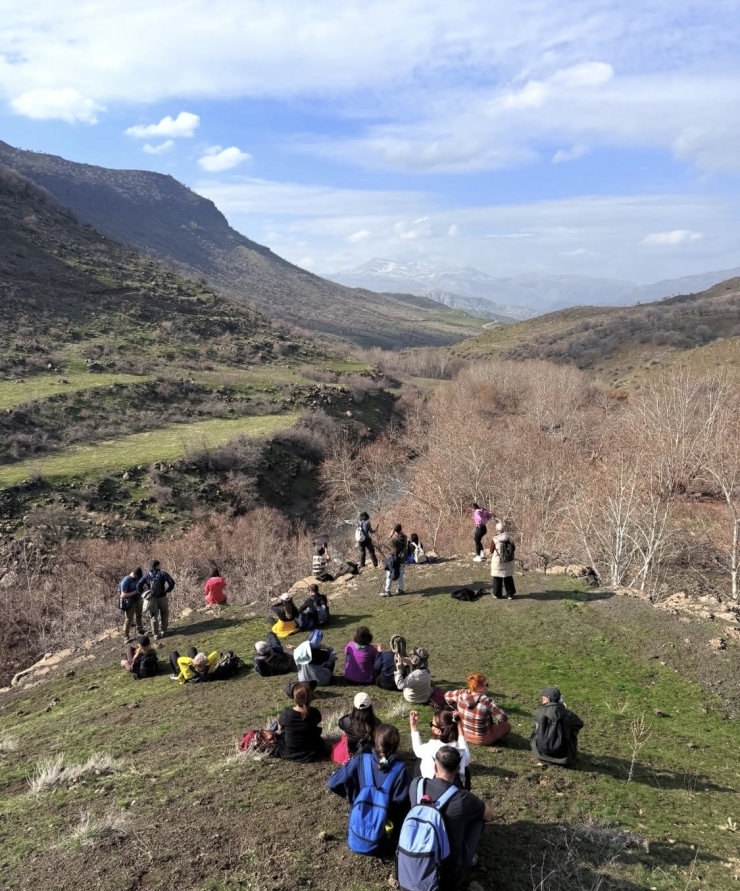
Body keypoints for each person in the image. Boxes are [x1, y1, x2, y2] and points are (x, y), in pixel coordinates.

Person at [407, 746, 494, 890]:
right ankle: (468, 860)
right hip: (448, 878)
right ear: (458, 767)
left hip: (412, 866)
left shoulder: (416, 785)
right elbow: (490, 816)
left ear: (435, 766)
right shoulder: (463, 798)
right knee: (479, 818)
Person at [327, 724, 412, 852]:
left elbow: (333, 783)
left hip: (356, 833)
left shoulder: (359, 760)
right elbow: (404, 806)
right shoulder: (402, 771)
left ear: (375, 743)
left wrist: (353, 798)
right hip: (385, 840)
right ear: (397, 745)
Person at [444, 674, 511, 746]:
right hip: (482, 739)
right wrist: (499, 722)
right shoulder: (486, 702)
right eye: (487, 685)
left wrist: (455, 708)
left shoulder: (460, 693)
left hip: (463, 733)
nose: (488, 687)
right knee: (507, 726)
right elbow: (503, 718)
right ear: (480, 688)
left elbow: (446, 696)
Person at [409, 709, 470, 784]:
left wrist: (413, 727)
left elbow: (417, 750)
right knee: (466, 770)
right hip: (454, 787)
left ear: (439, 731)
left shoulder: (429, 748)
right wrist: (459, 726)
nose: (431, 726)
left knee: (418, 763)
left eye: (432, 724)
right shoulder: (461, 751)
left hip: (432, 787)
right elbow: (466, 756)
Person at [271, 680, 325, 763]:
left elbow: (280, 729)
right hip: (312, 752)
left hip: (290, 751)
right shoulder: (315, 712)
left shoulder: (287, 714)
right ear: (310, 697)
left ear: (294, 698)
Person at [531, 687, 584, 767]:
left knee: (538, 727)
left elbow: (540, 714)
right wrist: (565, 710)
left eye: (543, 697)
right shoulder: (567, 714)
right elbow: (579, 724)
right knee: (572, 727)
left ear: (548, 699)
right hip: (563, 758)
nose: (541, 699)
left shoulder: (538, 712)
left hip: (541, 754)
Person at [137, 560, 175, 639]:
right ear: (157, 566)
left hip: (152, 598)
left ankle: (156, 634)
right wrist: (167, 590)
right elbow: (172, 582)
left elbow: (138, 586)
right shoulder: (163, 573)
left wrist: (144, 594)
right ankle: (164, 630)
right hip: (162, 596)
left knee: (153, 616)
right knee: (164, 613)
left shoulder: (147, 575)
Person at [338, 692, 382, 757]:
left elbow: (340, 723)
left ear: (354, 706)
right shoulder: (378, 723)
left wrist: (351, 715)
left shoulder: (346, 721)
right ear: (370, 707)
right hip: (372, 754)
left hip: (354, 754)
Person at [490, 521, 516, 600]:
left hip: (498, 561)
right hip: (508, 561)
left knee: (497, 578)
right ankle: (510, 594)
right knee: (508, 577)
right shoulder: (510, 538)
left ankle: (497, 594)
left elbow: (491, 550)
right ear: (504, 529)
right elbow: (513, 548)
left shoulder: (495, 539)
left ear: (496, 530)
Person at [118, 566, 144, 642]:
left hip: (138, 599)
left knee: (139, 615)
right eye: (137, 576)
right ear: (134, 574)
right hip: (129, 603)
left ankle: (140, 630)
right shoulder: (126, 581)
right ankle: (125, 636)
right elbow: (123, 595)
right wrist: (135, 592)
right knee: (128, 619)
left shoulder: (138, 577)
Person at [382, 524, 408, 596]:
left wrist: (390, 535)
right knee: (400, 573)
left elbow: (385, 543)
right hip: (401, 558)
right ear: (401, 529)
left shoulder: (393, 540)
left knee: (390, 573)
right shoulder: (405, 537)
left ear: (394, 530)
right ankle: (400, 589)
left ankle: (387, 591)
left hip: (393, 558)